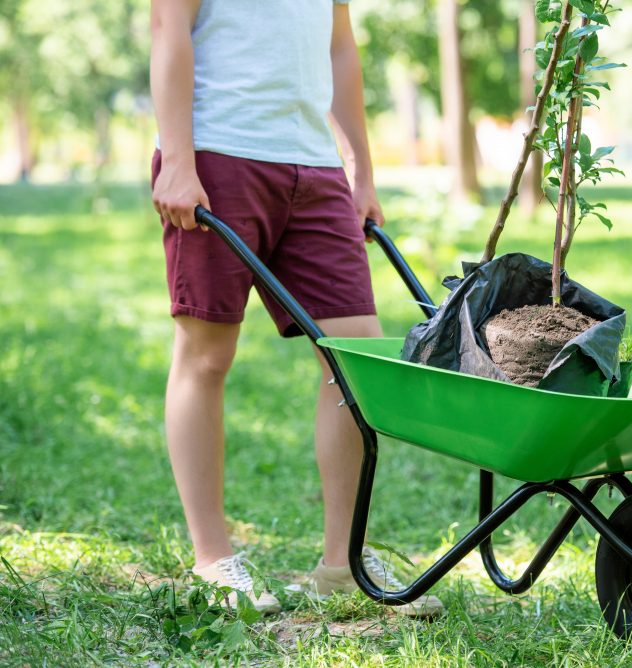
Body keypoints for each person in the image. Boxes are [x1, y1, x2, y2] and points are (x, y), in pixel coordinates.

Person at [149, 0, 442, 616]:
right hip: (217, 154)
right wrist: (177, 158)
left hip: (315, 167)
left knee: (356, 359)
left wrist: (360, 169)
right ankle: (213, 561)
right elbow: (167, 27)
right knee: (206, 357)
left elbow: (340, 44)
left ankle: (343, 564)